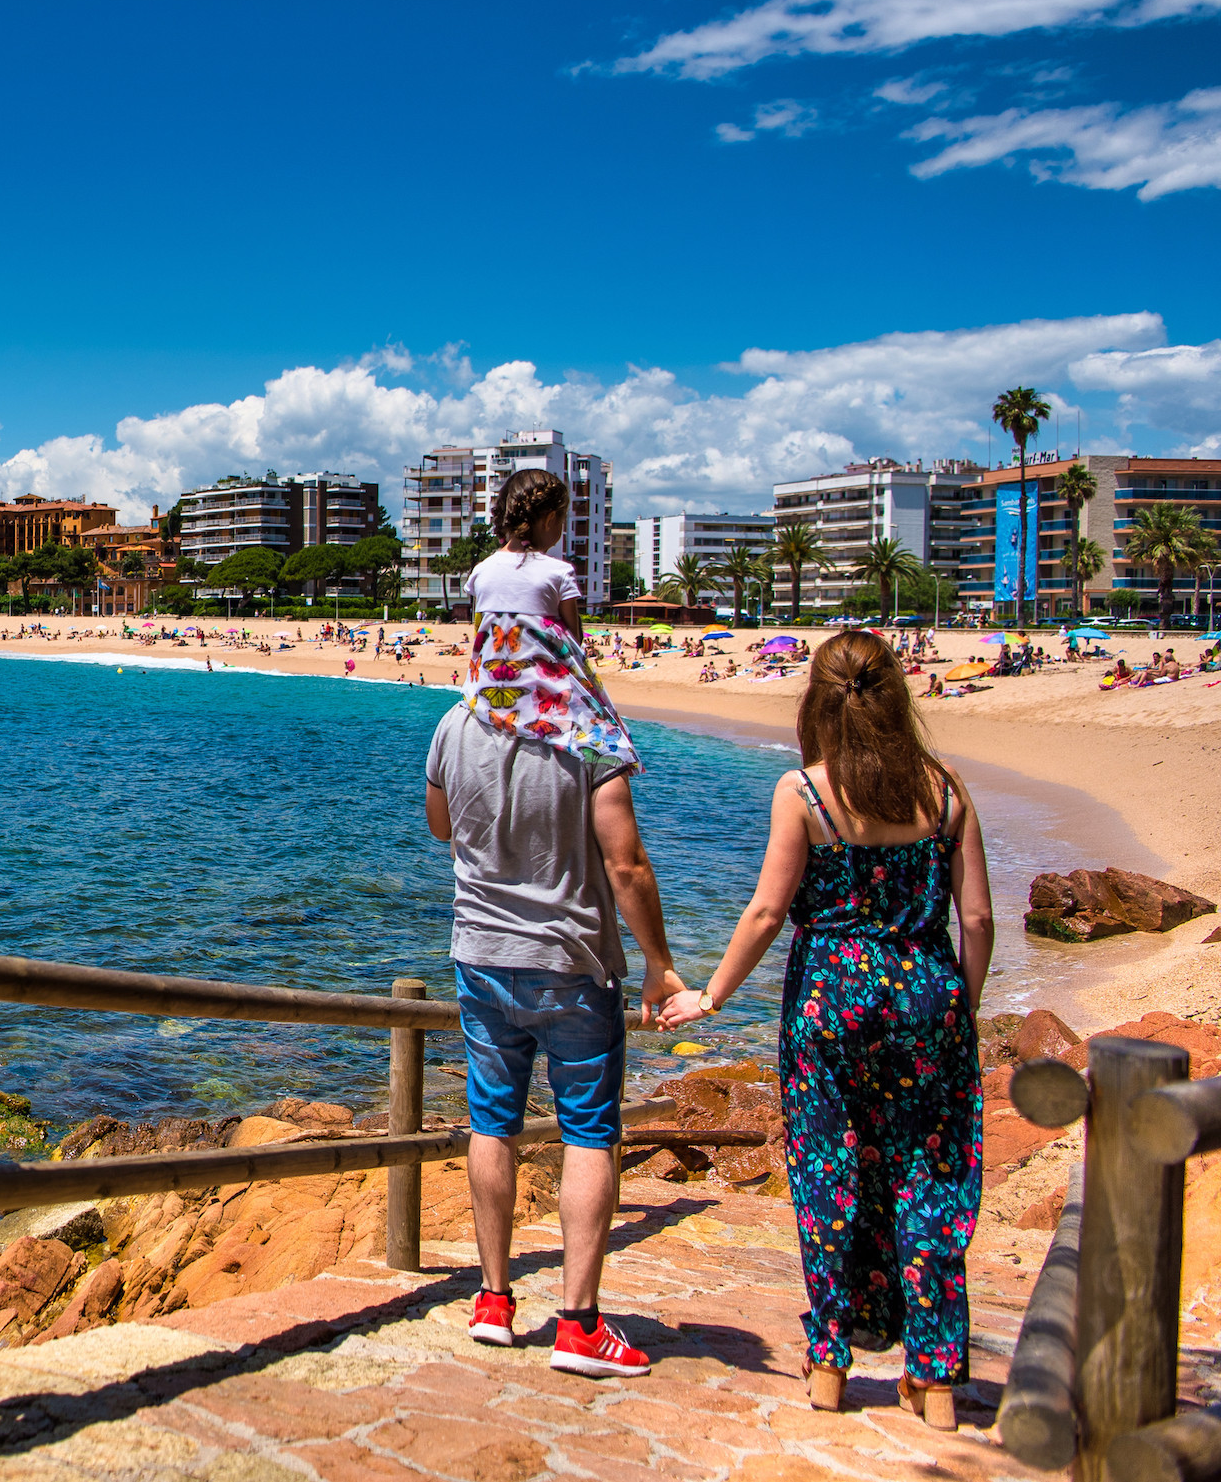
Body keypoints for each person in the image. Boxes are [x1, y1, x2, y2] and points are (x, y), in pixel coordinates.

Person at [657, 631, 991, 1428]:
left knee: (829, 1170)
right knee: (929, 1174)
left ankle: (832, 1363)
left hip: (830, 1002)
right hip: (927, 995)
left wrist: (711, 995)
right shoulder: (945, 790)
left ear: (818, 700)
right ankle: (935, 1377)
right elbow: (976, 917)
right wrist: (961, 1010)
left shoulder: (805, 791)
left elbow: (768, 911)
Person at [425, 677, 685, 1379]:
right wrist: (659, 964)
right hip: (572, 962)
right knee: (589, 1133)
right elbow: (625, 862)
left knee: (491, 1123)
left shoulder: (457, 721)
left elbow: (441, 825)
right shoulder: (589, 726)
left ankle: (492, 1300)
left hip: (481, 954)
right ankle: (578, 1325)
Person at [461, 469, 638, 771]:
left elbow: (481, 631)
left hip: (487, 691)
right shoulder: (559, 572)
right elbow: (573, 639)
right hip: (544, 694)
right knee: (613, 746)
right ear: (550, 519)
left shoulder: (481, 570)